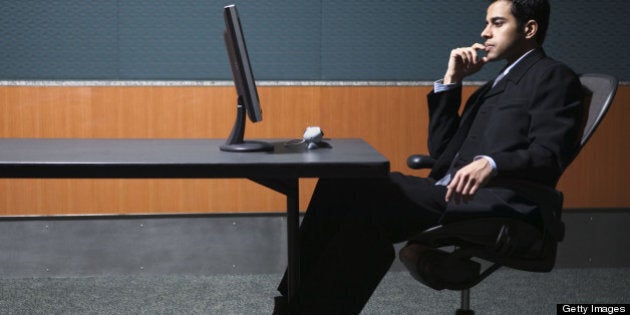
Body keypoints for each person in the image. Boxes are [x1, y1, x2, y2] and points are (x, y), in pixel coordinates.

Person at [273, 0, 584, 313]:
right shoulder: (495, 84)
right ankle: (291, 301)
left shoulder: (553, 77)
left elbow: (550, 154)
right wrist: (451, 81)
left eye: (497, 23)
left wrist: (492, 164)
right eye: (487, 23)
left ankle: (310, 309)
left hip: (494, 199)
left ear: (529, 29)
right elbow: (442, 151)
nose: (484, 32)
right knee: (342, 180)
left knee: (370, 202)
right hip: (449, 191)